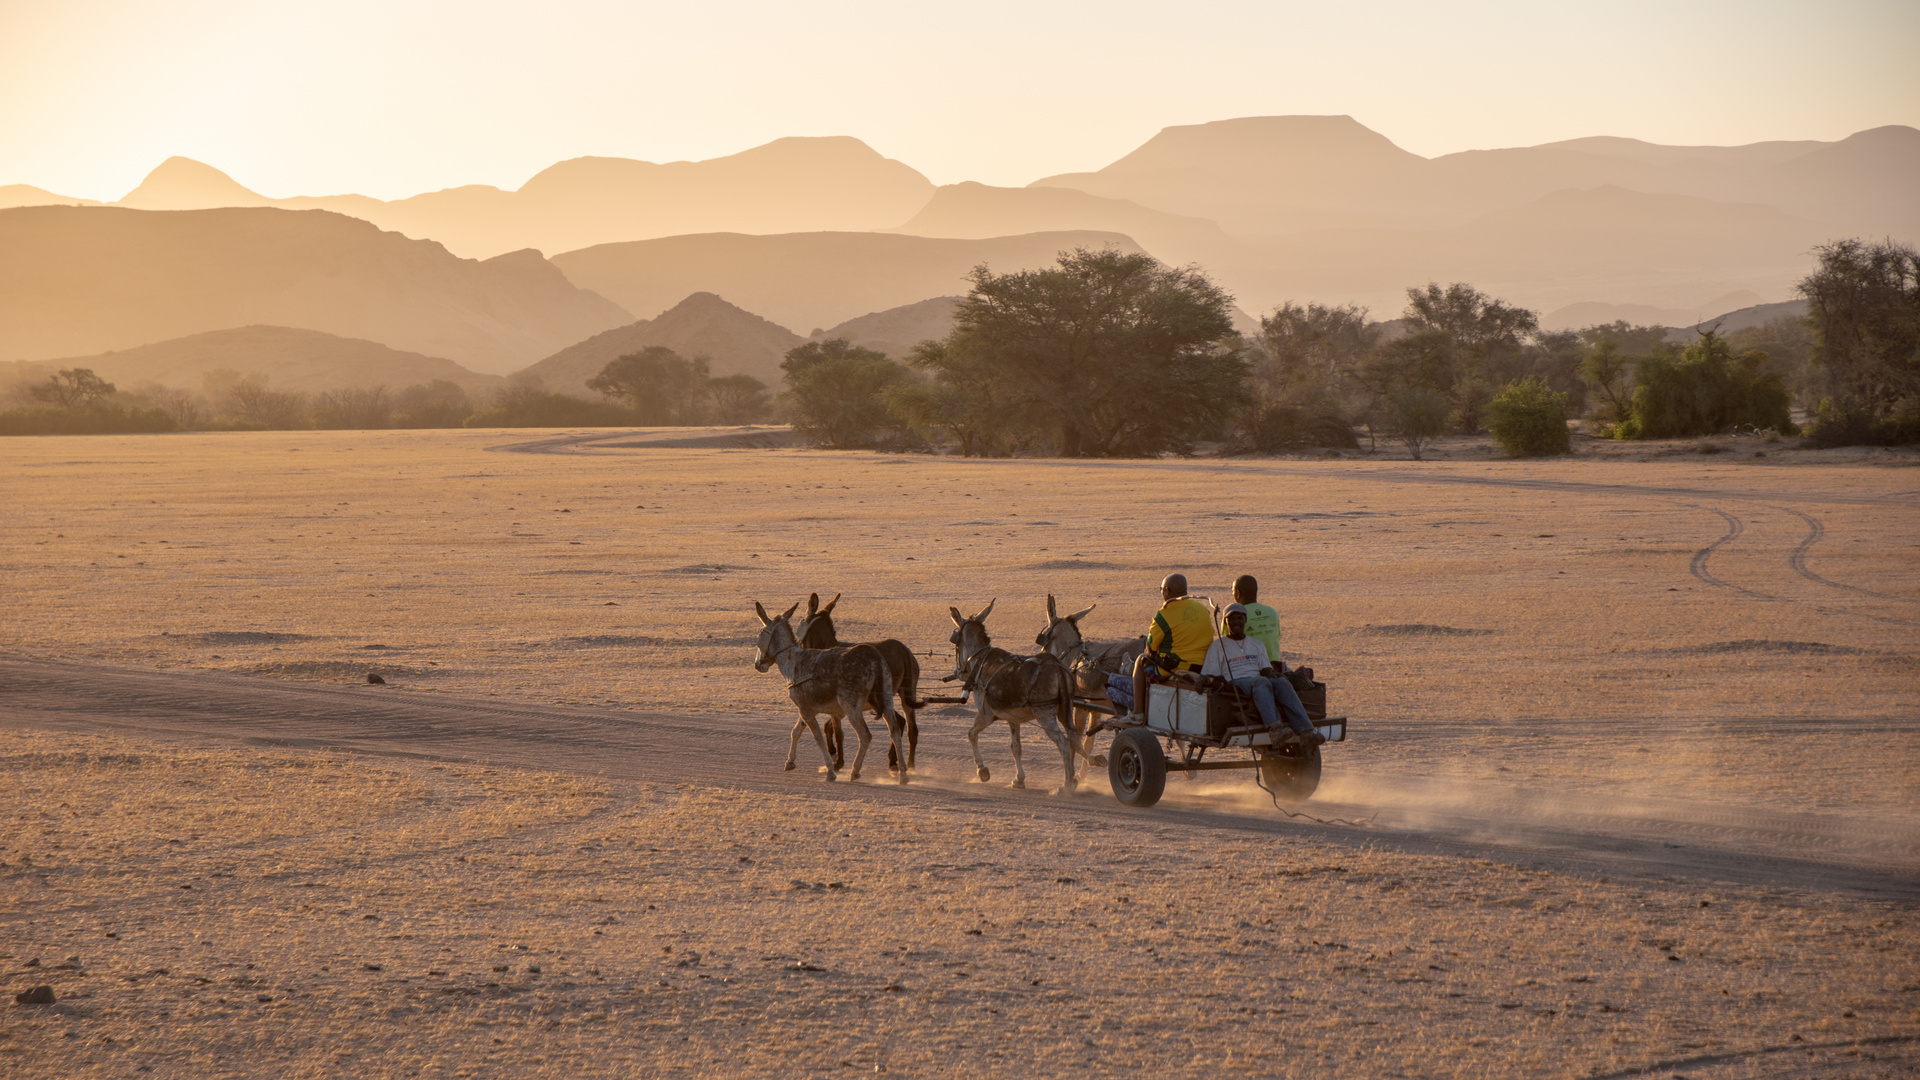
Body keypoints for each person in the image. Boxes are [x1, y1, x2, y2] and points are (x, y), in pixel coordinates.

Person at [1199, 604, 1324, 745]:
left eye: (1239, 618)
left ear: (1245, 620)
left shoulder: (1256, 644)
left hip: (1257, 679)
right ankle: (1275, 729)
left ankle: (1306, 731)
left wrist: (1277, 675)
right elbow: (1211, 674)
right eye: (1231, 619)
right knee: (1261, 682)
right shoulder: (1218, 646)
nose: (1236, 622)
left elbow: (1265, 669)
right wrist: (1204, 679)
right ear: (1226, 622)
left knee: (1281, 682)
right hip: (1236, 682)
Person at [1115, 573, 1214, 724]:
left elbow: (1150, 648)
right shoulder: (1202, 609)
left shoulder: (1164, 615)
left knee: (1141, 660)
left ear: (1167, 590)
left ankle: (1137, 713)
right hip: (1202, 666)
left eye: (1161, 589)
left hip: (1175, 667)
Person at [1232, 575, 1283, 672]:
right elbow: (1276, 636)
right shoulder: (1272, 612)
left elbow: (1226, 645)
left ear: (1238, 593)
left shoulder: (1234, 616)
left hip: (1248, 667)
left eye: (1233, 591)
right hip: (1273, 664)